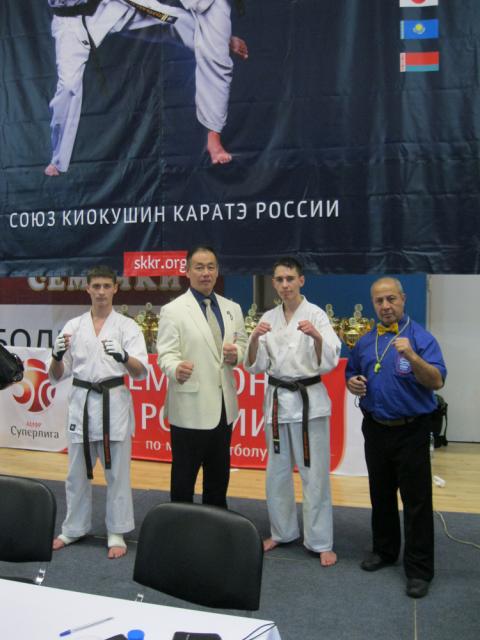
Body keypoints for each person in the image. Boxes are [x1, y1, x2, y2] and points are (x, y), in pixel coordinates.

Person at [44, 0, 248, 176]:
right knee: (68, 86)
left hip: (109, 7)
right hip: (69, 22)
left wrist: (220, 40)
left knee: (175, 19)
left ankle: (219, 41)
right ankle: (58, 160)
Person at [346, 277, 447, 598]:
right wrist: (353, 383)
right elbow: (351, 373)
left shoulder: (421, 338)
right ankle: (385, 550)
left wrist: (413, 357)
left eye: (391, 299)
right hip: (375, 427)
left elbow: (437, 381)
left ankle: (419, 570)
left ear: (403, 299)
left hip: (411, 430)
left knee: (416, 502)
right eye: (379, 301)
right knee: (381, 495)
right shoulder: (365, 341)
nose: (386, 306)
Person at [245, 257, 341, 566]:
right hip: (277, 403)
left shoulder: (316, 315)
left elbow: (330, 359)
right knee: (276, 473)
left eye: (290, 278)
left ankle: (320, 541)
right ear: (274, 284)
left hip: (309, 404)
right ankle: (282, 531)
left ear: (301, 280)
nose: (285, 284)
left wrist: (316, 336)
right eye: (279, 280)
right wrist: (254, 338)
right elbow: (256, 365)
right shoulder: (268, 318)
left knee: (315, 475)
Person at [49, 265, 148, 558]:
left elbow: (141, 371)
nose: (102, 292)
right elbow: (57, 375)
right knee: (76, 474)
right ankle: (73, 528)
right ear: (88, 289)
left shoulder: (127, 327)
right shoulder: (73, 326)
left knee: (117, 474)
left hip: (113, 404)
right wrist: (56, 356)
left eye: (107, 286)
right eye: (97, 286)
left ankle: (116, 531)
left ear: (115, 288)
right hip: (81, 404)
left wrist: (124, 356)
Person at [156, 245, 247, 507]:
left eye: (210, 267)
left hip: (224, 408)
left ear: (217, 271)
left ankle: (216, 525)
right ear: (187, 272)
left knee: (218, 478)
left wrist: (237, 354)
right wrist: (175, 368)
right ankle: (180, 524)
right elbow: (166, 354)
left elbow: (242, 343)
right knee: (184, 479)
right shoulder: (173, 310)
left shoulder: (232, 308)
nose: (205, 273)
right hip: (189, 408)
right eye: (199, 267)